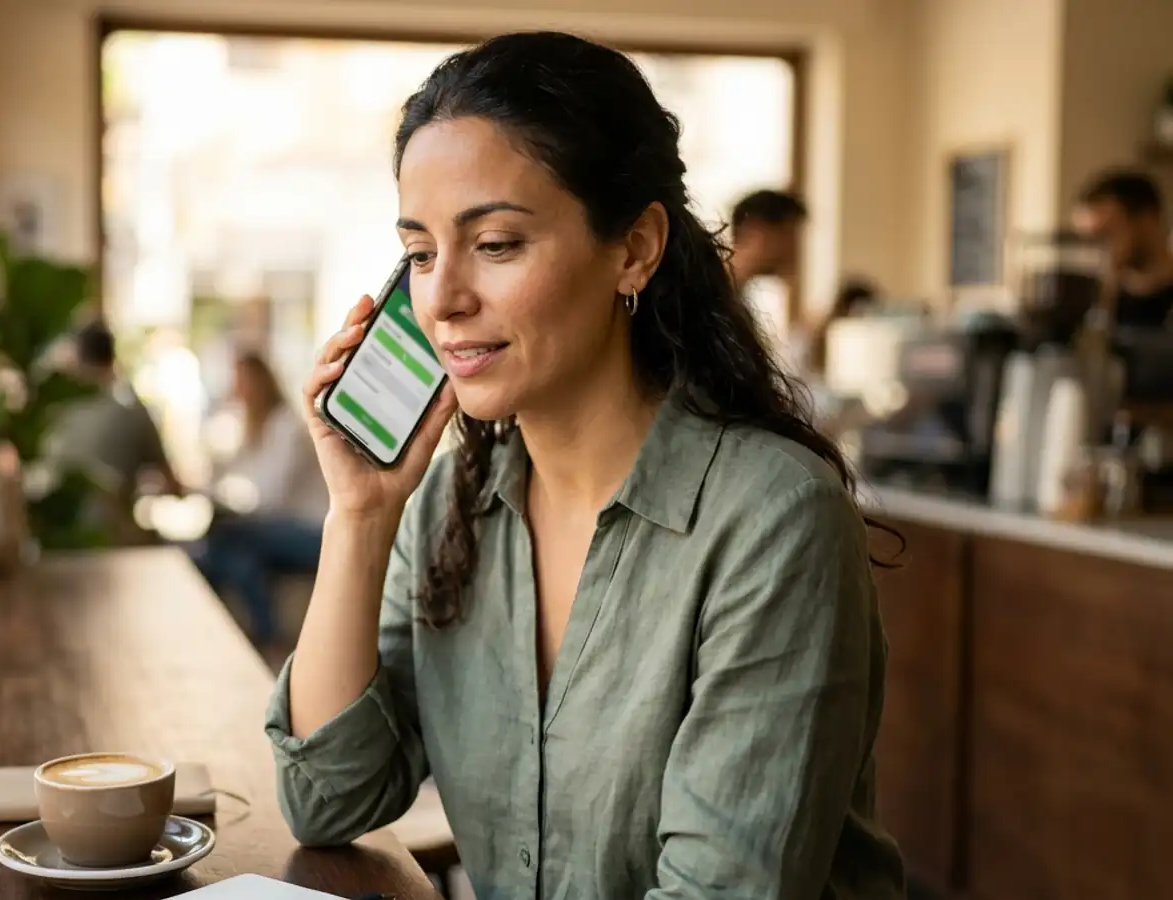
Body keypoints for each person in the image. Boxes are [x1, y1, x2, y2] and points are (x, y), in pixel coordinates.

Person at [265, 31, 906, 900]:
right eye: (419, 254)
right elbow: (324, 798)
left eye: (494, 244)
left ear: (635, 249)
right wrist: (361, 516)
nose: (443, 299)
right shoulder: (450, 505)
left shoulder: (773, 518)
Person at [192, 351, 329, 653]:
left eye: (242, 381)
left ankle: (260, 632)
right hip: (276, 531)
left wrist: (225, 499)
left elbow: (269, 496)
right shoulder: (252, 426)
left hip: (311, 532)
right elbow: (225, 477)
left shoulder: (287, 427)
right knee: (235, 555)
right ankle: (267, 633)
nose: (237, 389)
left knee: (223, 539)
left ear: (261, 381)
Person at [44, 321, 184, 547]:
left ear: (77, 359)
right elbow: (174, 485)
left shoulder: (57, 408)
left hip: (52, 541)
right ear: (112, 358)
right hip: (114, 540)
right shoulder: (132, 410)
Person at [1073, 169, 1173, 329]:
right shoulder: (1096, 305)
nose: (1094, 252)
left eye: (1105, 235)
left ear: (1148, 220)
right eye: (1088, 241)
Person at [728, 188, 808, 290]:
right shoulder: (713, 292)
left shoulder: (732, 292)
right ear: (755, 228)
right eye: (789, 234)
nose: (794, 248)